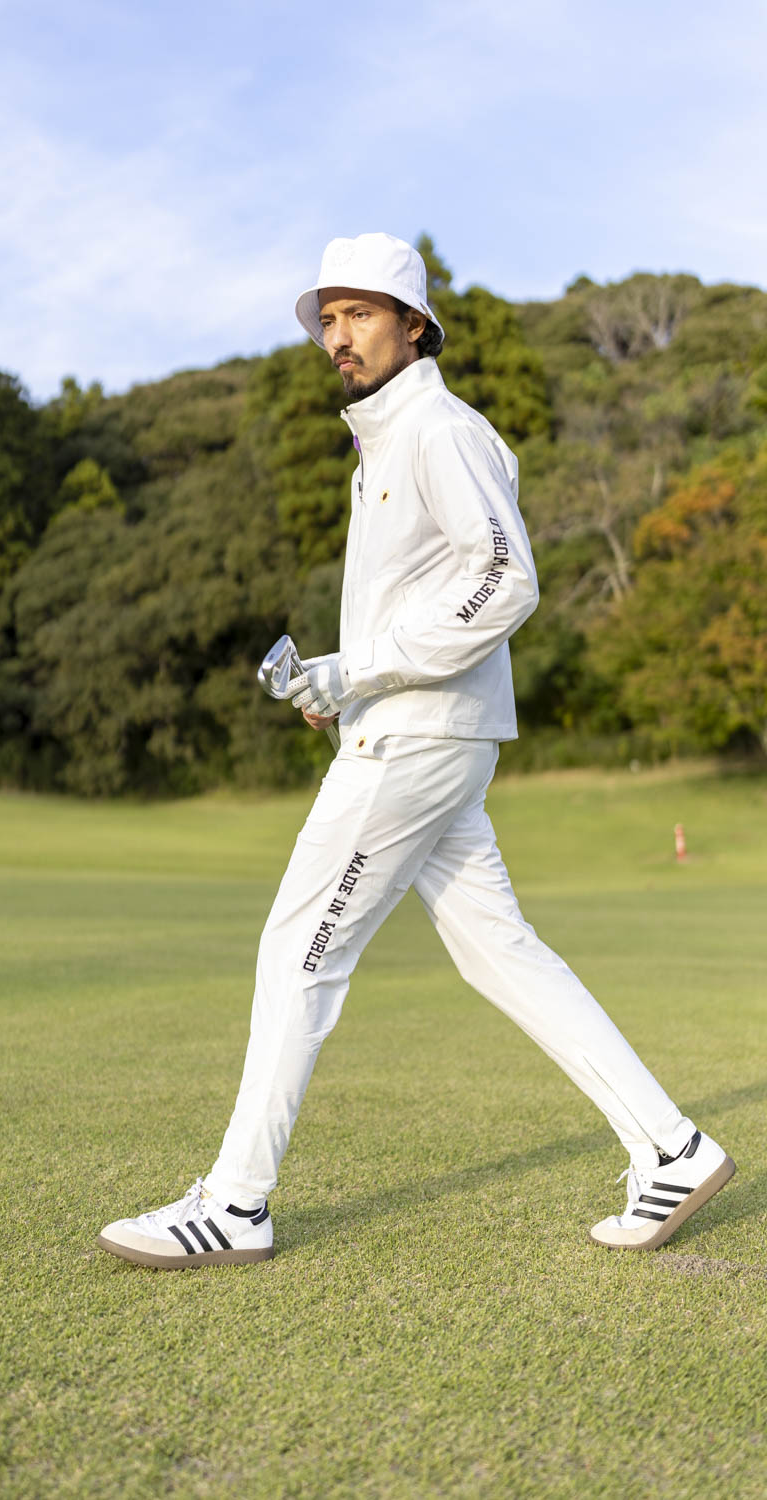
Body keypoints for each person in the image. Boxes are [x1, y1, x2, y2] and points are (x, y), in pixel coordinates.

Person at [99, 232, 734, 1269]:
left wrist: (363, 672)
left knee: (298, 951)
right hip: (419, 731)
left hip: (418, 742)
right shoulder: (384, 444)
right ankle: (671, 1148)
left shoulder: (438, 429)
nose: (338, 337)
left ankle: (238, 1203)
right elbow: (428, 602)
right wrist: (340, 681)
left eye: (359, 313)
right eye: (328, 319)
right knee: (500, 953)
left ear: (413, 324)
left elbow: (506, 580)